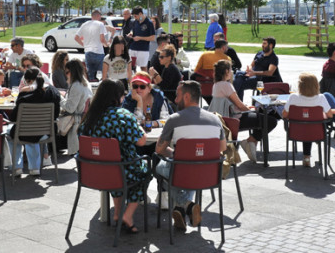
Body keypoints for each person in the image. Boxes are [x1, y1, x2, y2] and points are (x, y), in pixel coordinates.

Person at [155, 81, 226, 231]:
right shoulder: (215, 120)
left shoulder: (174, 118)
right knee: (188, 167)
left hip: (182, 173)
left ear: (186, 97)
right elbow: (222, 148)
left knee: (160, 167)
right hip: (210, 175)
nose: (174, 100)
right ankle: (182, 210)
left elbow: (159, 149)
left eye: (177, 96)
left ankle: (186, 206)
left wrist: (176, 153)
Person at [80, 79, 149, 234]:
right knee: (145, 171)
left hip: (92, 173)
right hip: (121, 171)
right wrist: (137, 123)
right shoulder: (123, 116)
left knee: (115, 168)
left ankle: (118, 213)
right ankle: (128, 215)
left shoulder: (89, 118)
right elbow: (142, 141)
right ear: (117, 97)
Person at [208, 59, 274, 163]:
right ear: (226, 72)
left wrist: (248, 108)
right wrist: (249, 109)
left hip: (225, 119)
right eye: (230, 70)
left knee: (259, 116)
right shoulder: (226, 85)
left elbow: (233, 104)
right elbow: (239, 105)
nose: (232, 72)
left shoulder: (216, 85)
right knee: (270, 121)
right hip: (234, 120)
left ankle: (251, 142)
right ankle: (250, 141)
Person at [9, 67, 61, 177]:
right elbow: (56, 115)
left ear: (28, 81)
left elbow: (13, 119)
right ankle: (34, 168)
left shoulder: (24, 95)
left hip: (25, 132)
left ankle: (17, 167)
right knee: (31, 131)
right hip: (46, 132)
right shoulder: (54, 92)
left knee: (12, 133)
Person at [282, 73, 335, 167]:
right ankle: (307, 156)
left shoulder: (293, 97)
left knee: (305, 124)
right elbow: (330, 115)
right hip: (317, 132)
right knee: (311, 124)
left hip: (296, 132)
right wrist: (319, 115)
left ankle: (306, 157)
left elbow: (284, 114)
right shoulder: (321, 98)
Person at [61, 59, 92, 155]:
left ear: (72, 72)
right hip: (83, 118)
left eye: (67, 72)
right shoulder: (85, 82)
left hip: (75, 121)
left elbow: (70, 108)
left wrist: (59, 97)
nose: (65, 75)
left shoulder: (76, 85)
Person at [74, 9, 109, 82]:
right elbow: (102, 39)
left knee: (91, 77)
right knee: (103, 75)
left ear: (92, 16)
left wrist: (84, 45)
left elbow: (76, 38)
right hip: (98, 52)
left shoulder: (85, 24)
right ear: (99, 16)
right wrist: (106, 45)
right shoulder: (100, 24)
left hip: (88, 52)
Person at [127, 7, 155, 72]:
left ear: (140, 14)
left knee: (143, 68)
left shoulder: (149, 23)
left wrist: (140, 38)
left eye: (135, 16)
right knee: (131, 67)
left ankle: (145, 81)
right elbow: (133, 30)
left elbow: (152, 37)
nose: (135, 18)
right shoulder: (135, 22)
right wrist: (131, 33)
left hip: (143, 49)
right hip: (132, 48)